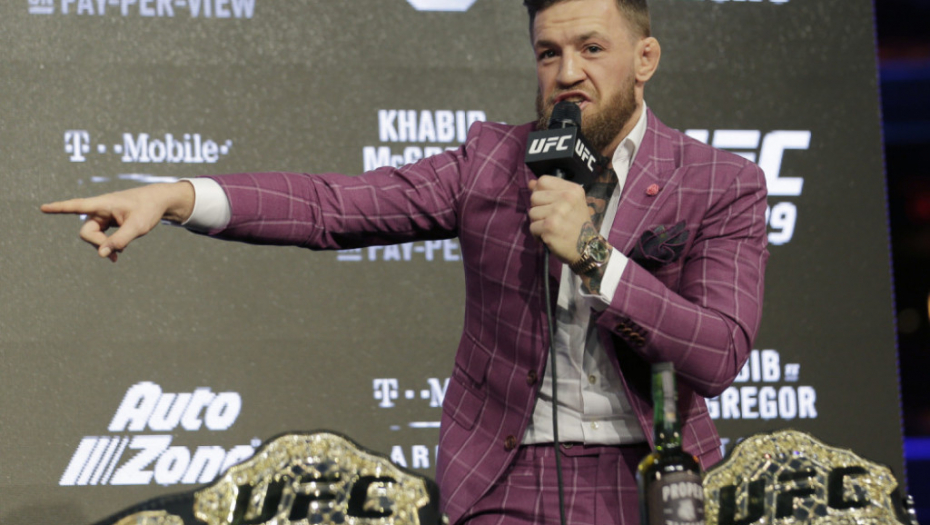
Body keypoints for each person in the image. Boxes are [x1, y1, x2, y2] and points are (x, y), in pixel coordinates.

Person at [42, 0, 768, 523]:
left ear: (645, 59)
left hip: (651, 477)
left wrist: (594, 255)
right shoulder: (492, 161)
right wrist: (176, 196)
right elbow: (332, 206)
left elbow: (718, 354)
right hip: (506, 478)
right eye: (549, 53)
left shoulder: (720, 183)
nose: (568, 72)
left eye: (591, 48)